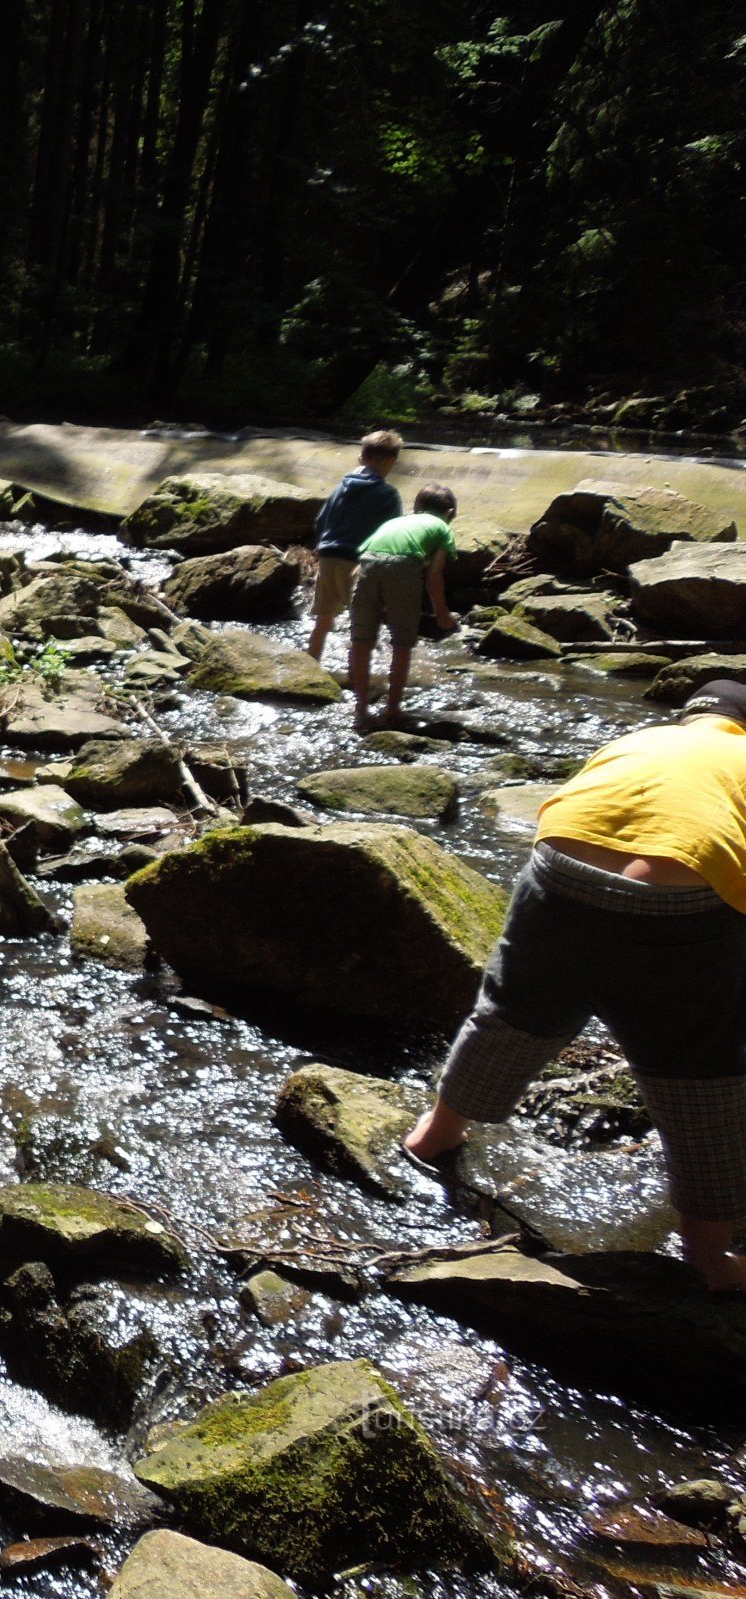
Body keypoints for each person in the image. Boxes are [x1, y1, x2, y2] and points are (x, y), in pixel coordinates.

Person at [404, 681, 746, 1291]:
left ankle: (433, 1138)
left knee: (513, 1014)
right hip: (677, 902)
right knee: (698, 1070)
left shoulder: (643, 739)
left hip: (557, 872)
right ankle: (708, 1255)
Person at [347, 483, 458, 733]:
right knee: (401, 643)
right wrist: (441, 612)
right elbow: (433, 576)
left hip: (366, 567)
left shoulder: (394, 523)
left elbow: (360, 567)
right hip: (404, 568)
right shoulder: (442, 528)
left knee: (361, 642)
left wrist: (373, 598)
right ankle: (393, 710)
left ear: (416, 508)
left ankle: (361, 708)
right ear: (449, 513)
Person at [305, 429, 405, 661]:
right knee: (362, 624)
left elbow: (320, 521)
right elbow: (393, 536)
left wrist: (323, 548)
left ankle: (310, 664)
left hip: (328, 557)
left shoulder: (340, 488)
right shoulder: (388, 494)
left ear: (361, 458)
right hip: (358, 563)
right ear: (389, 462)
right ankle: (357, 674)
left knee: (323, 620)